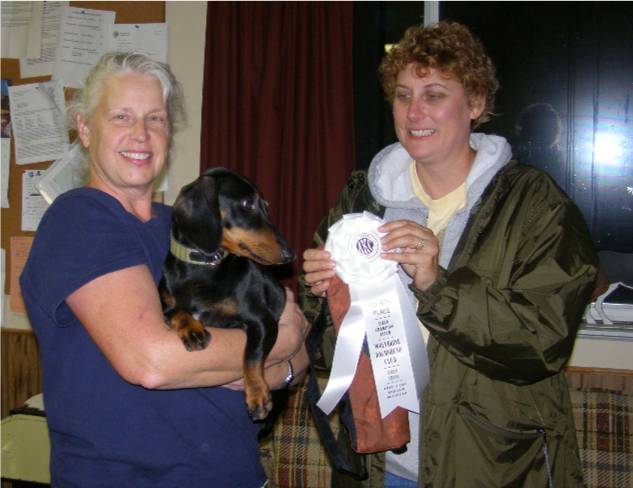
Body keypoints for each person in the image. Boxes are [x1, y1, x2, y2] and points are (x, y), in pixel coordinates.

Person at [301, 21, 598, 487]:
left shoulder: (536, 205)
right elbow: (322, 349)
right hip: (380, 466)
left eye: (434, 94)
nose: (414, 111)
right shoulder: (362, 199)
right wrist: (322, 298)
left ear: (475, 103)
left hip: (490, 466)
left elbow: (542, 344)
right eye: (402, 95)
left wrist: (436, 285)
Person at [20, 52, 310, 488]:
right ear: (84, 129)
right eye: (121, 116)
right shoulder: (78, 219)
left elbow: (300, 357)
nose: (141, 134)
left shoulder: (189, 229)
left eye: (155, 119)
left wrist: (277, 367)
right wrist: (280, 339)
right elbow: (152, 361)